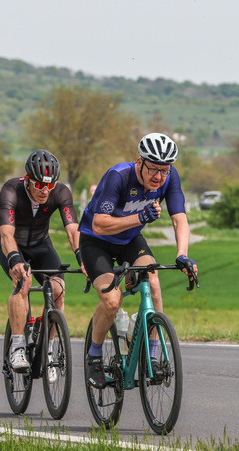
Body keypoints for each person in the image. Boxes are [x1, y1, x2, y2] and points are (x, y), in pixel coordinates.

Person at [78, 132, 198, 388]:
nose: (159, 177)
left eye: (164, 171)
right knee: (111, 301)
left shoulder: (169, 178)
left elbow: (180, 219)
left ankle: (153, 357)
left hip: (129, 241)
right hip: (95, 242)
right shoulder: (118, 176)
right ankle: (95, 356)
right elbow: (99, 224)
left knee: (153, 283)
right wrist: (140, 218)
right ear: (139, 161)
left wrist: (182, 255)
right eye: (153, 169)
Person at [0, 149, 81, 371]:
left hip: (41, 245)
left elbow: (73, 230)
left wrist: (83, 258)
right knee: (23, 282)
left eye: (50, 185)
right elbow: (6, 233)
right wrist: (14, 259)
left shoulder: (61, 192)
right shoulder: (11, 189)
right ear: (29, 180)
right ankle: (17, 346)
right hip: (11, 244)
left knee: (58, 289)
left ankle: (49, 350)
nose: (45, 191)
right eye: (40, 185)